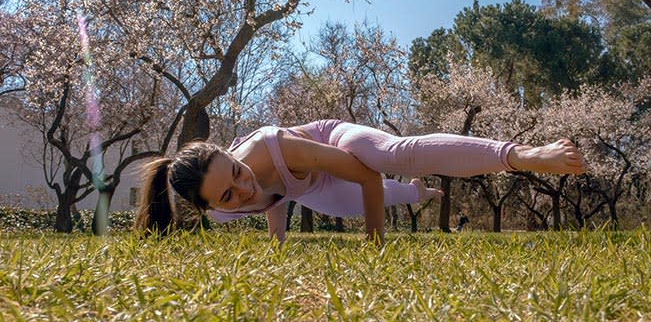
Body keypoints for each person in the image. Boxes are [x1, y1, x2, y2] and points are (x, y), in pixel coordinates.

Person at [135, 119, 586, 244]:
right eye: (230, 196)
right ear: (210, 206)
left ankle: (522, 154)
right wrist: (277, 245)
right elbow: (270, 200)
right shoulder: (221, 205)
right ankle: (419, 194)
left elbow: (368, 177)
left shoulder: (276, 148)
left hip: (333, 142)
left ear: (233, 155)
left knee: (394, 157)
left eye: (237, 172)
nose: (244, 190)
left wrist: (376, 245)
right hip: (311, 188)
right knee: (351, 205)